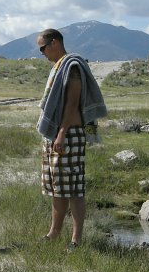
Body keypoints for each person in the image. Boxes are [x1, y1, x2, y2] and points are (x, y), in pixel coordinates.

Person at [36, 28, 108, 250]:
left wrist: (61, 132)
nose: (42, 53)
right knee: (58, 187)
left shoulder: (72, 66)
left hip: (68, 134)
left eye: (43, 48)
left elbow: (71, 103)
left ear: (54, 43)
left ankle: (76, 240)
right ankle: (54, 233)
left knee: (74, 188)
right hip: (58, 135)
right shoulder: (59, 67)